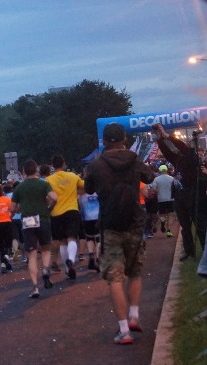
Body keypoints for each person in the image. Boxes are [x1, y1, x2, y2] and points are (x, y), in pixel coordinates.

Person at [84, 122, 155, 345]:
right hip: (134, 223)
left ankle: (124, 330)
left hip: (110, 226)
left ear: (105, 141)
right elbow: (150, 177)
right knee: (135, 271)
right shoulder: (135, 161)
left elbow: (88, 189)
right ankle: (134, 314)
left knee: (114, 278)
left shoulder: (96, 164)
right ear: (124, 139)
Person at [154, 124, 206, 259]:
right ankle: (189, 252)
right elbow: (167, 152)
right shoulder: (178, 160)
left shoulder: (191, 158)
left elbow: (183, 147)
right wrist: (160, 138)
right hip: (180, 197)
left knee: (200, 226)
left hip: (193, 196)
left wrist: (167, 135)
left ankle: (205, 251)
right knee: (185, 227)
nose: (177, 150)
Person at [11, 160, 58, 299]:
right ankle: (45, 270)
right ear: (36, 170)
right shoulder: (44, 184)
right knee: (45, 249)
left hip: (27, 221)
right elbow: (54, 198)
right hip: (43, 219)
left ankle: (35, 288)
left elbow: (12, 209)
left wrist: (19, 209)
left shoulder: (19, 187)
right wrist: (49, 208)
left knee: (31, 254)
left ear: (24, 172)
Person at [47, 154, 85, 280]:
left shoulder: (49, 180)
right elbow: (84, 187)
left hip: (56, 213)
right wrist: (76, 192)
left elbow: (47, 196)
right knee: (72, 238)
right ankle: (71, 260)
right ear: (64, 164)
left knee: (62, 241)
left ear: (52, 166)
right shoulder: (73, 176)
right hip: (72, 210)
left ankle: (68, 269)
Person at [151, 164, 176, 238]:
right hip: (170, 199)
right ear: (166, 170)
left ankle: (162, 222)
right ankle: (169, 231)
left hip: (161, 199)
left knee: (162, 214)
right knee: (170, 215)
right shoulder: (171, 178)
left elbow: (154, 189)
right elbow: (175, 187)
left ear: (160, 171)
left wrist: (158, 192)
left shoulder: (156, 179)